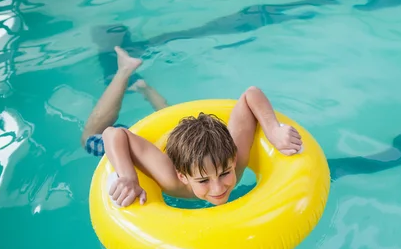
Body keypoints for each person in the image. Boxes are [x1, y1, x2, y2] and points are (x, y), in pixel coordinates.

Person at [81, 46, 303, 207]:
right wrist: (127, 176)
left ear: (233, 159)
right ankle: (124, 71)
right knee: (89, 139)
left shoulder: (234, 158)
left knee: (170, 117)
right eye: (204, 180)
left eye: (225, 173)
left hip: (186, 139)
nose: (218, 188)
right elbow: (113, 134)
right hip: (143, 145)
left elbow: (250, 94)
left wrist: (273, 130)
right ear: (182, 177)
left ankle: (145, 88)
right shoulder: (169, 178)